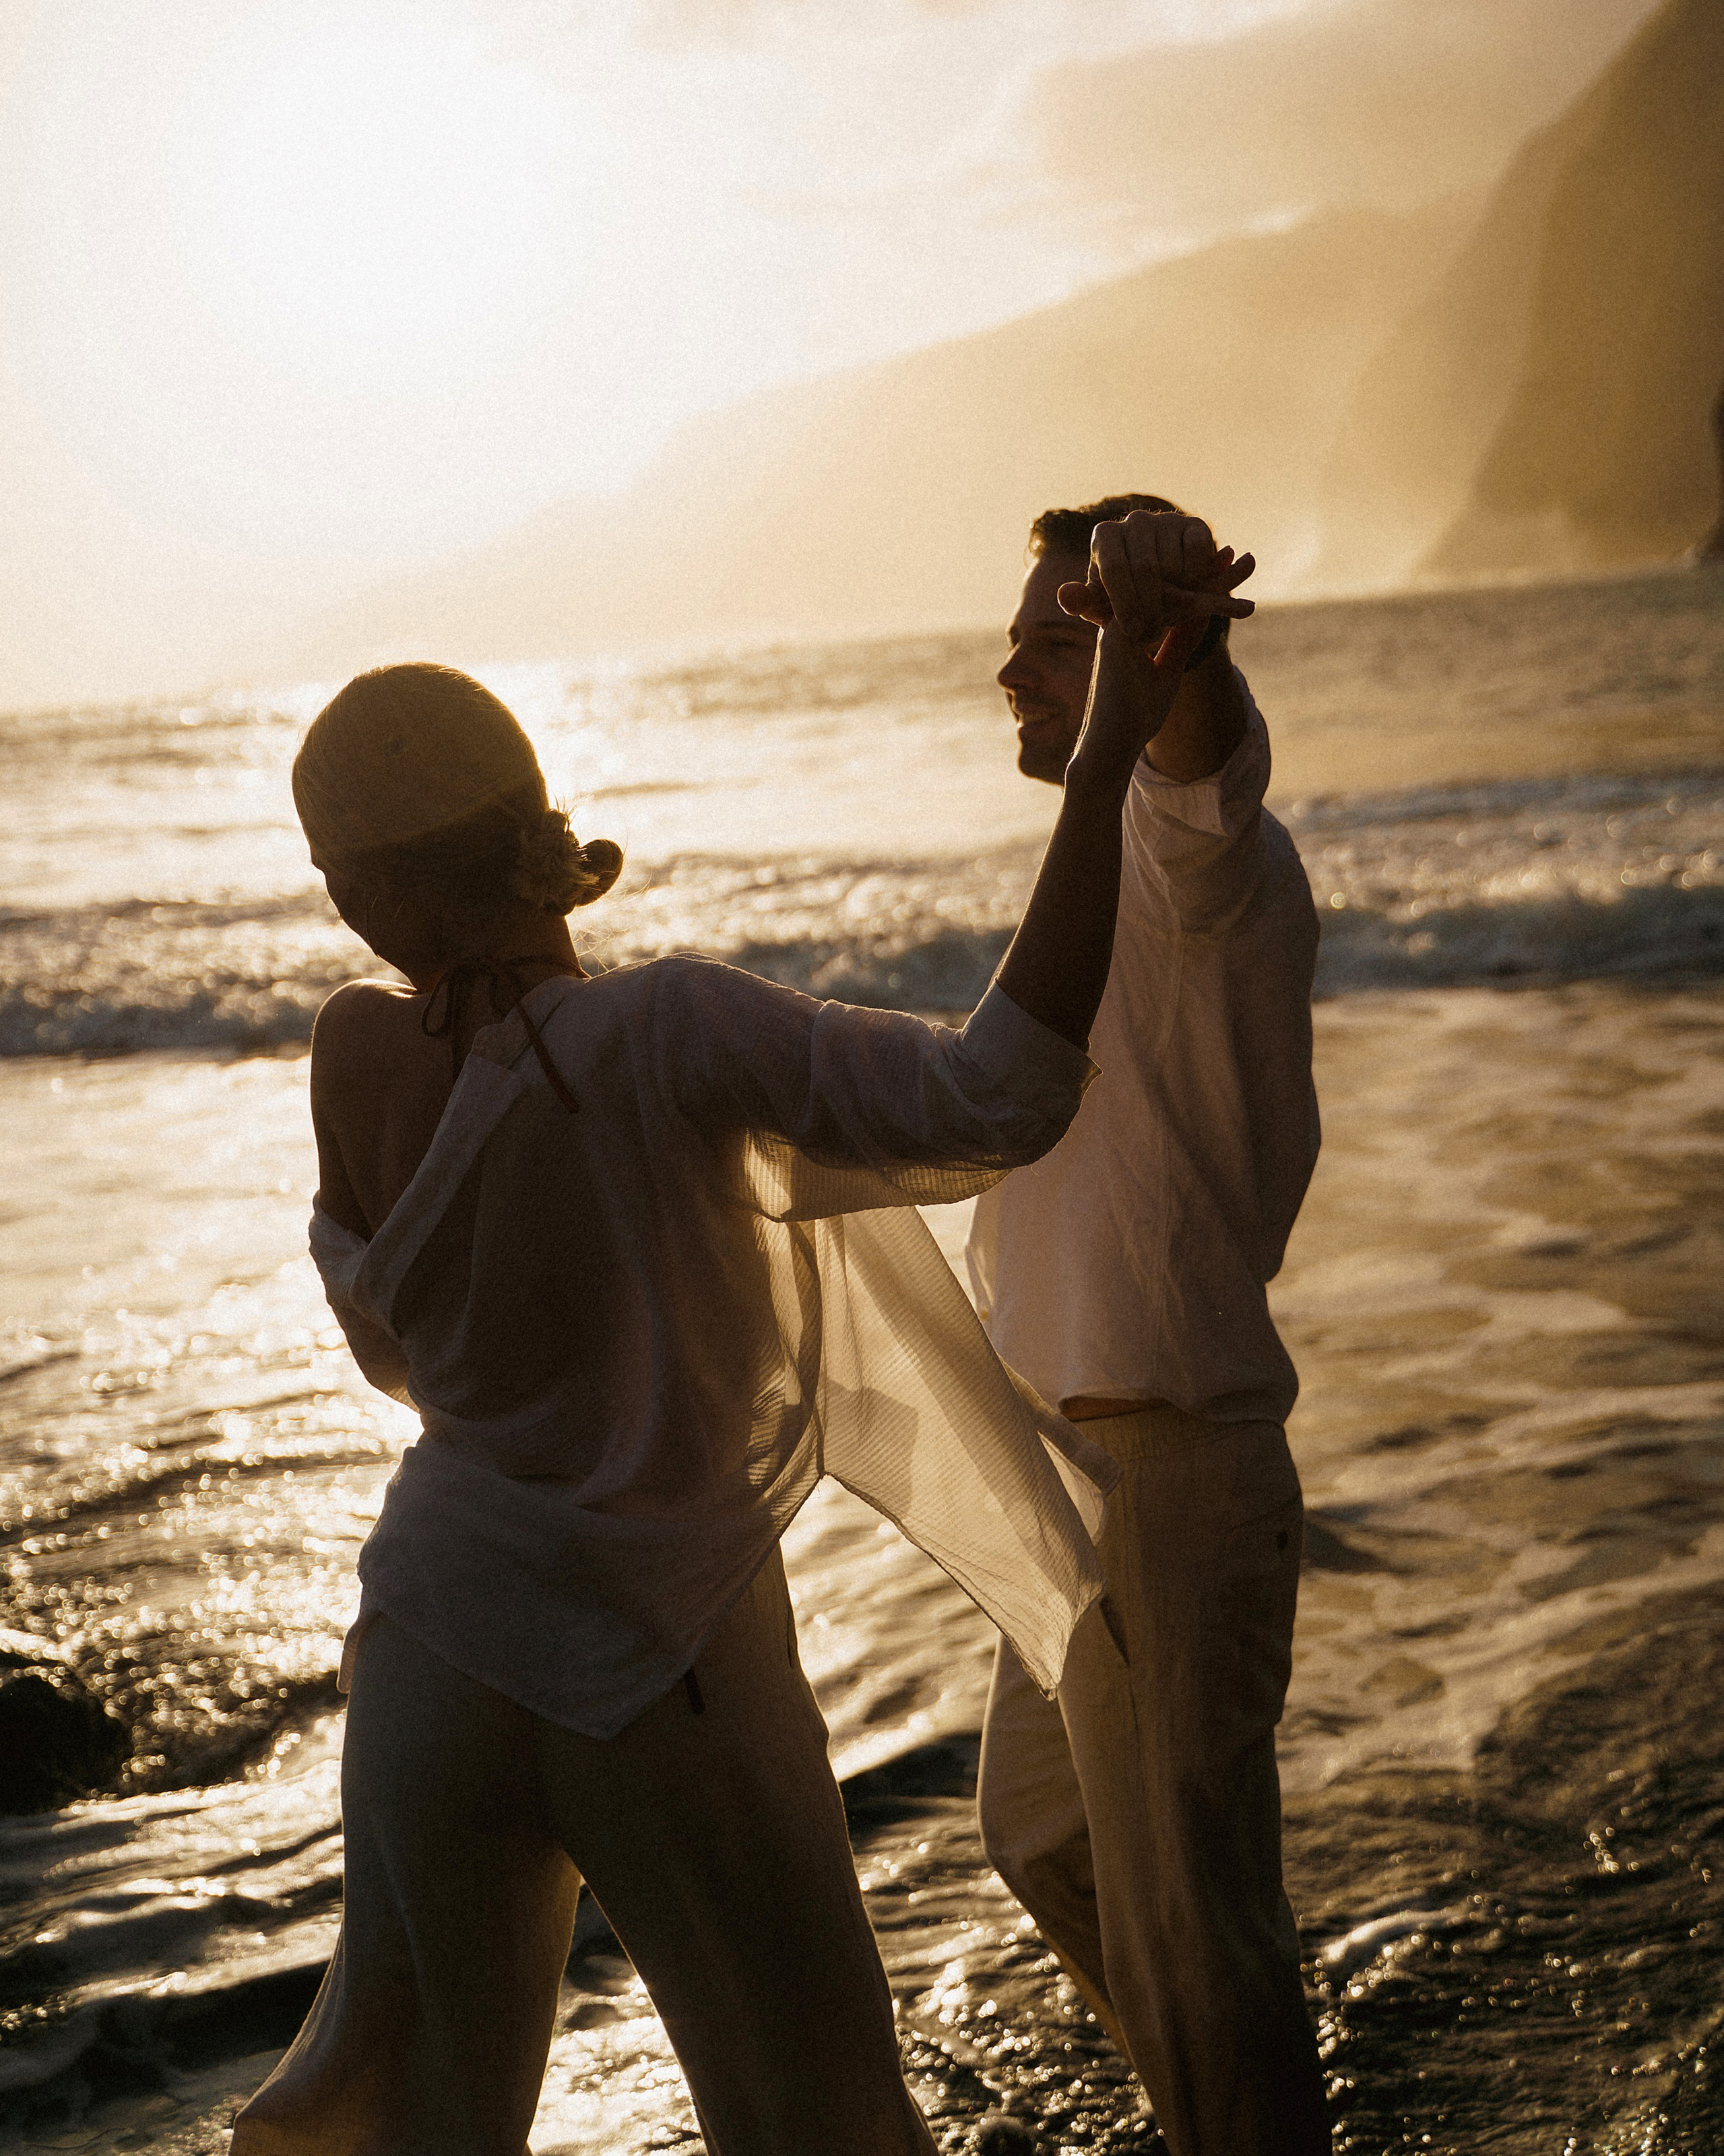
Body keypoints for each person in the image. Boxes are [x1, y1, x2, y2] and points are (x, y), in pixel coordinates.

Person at [228, 511, 1255, 2156]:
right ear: (528, 827)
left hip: (429, 1648)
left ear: (361, 882)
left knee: (414, 2129)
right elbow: (998, 1091)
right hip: (666, 1666)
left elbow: (399, 1363)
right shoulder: (669, 1033)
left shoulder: (348, 1056)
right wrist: (1103, 758)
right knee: (811, 2121)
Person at [967, 499, 1330, 2156]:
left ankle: (1239, 2115)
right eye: (1022, 641)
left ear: (1146, 648)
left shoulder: (1192, 856)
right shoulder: (1094, 865)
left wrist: (1161, 616)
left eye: (1053, 641)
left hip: (1168, 1470)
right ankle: (1226, 2115)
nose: (1010, 672)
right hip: (1069, 1478)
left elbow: (1204, 753)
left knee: (1197, 1939)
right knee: (1040, 1836)